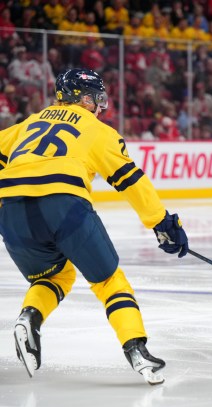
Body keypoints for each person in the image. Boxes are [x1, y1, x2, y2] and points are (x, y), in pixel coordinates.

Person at [0, 68, 189, 385]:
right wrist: (162, 223)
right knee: (109, 281)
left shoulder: (29, 123)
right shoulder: (97, 130)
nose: (99, 105)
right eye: (93, 98)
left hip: (11, 211)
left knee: (55, 275)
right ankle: (137, 350)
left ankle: (30, 317)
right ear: (77, 98)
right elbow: (132, 182)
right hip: (64, 205)